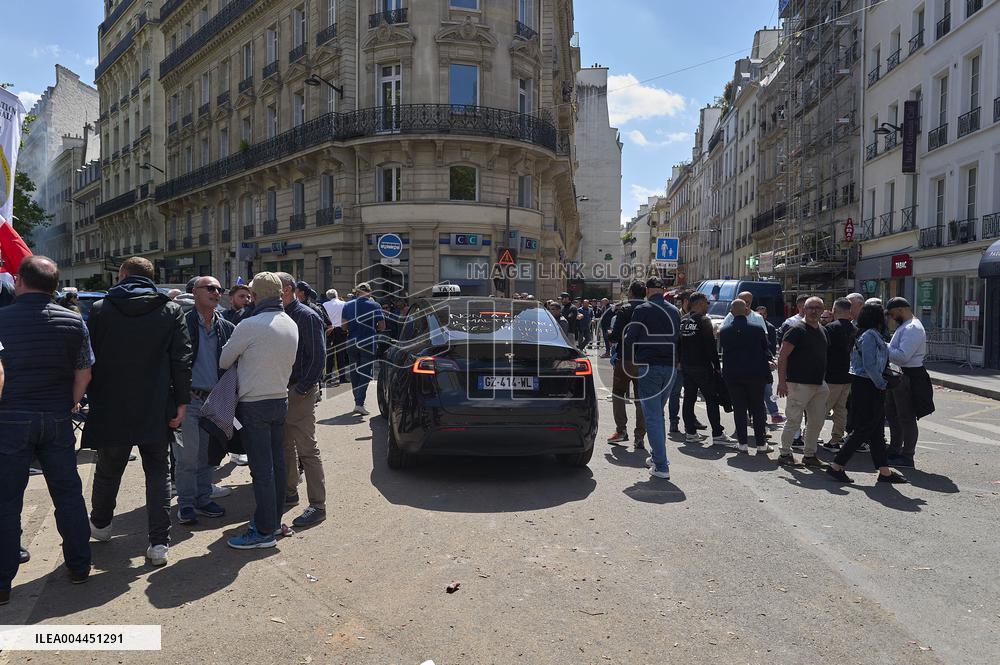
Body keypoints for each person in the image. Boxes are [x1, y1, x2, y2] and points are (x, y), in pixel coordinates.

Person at [84, 256, 192, 567]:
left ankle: (102, 524)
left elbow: (89, 358)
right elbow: (181, 360)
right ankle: (158, 543)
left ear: (122, 275)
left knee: (108, 468)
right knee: (158, 472)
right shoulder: (170, 310)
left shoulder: (101, 310)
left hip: (112, 404)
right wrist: (182, 402)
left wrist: (90, 397)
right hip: (157, 405)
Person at [0, 256, 93, 605]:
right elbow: (84, 373)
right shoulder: (73, 321)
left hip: (9, 418)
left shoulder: (1, 319)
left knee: (6, 502)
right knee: (68, 493)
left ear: (20, 281)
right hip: (55, 416)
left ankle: (2, 582)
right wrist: (70, 402)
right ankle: (79, 565)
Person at [219, 272, 299, 549]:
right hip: (280, 399)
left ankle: (264, 531)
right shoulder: (290, 322)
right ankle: (273, 523)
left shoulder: (251, 324)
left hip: (255, 403)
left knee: (262, 470)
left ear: (254, 296)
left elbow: (224, 359)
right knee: (276, 466)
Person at [174, 275, 234, 526]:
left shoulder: (226, 327)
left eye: (219, 289)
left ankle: (203, 497)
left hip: (215, 400)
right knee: (186, 456)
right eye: (210, 288)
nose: (216, 292)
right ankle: (186, 504)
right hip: (189, 399)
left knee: (209, 454)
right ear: (195, 292)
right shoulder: (181, 324)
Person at [826, 302, 908, 484]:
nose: (887, 318)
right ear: (877, 317)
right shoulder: (870, 335)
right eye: (884, 315)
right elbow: (870, 364)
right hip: (868, 384)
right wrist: (881, 383)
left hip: (867, 384)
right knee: (863, 429)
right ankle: (836, 466)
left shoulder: (866, 333)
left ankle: (884, 471)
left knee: (876, 430)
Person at [276, 273, 327, 529]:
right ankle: (289, 491)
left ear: (286, 289)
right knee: (286, 446)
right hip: (281, 390)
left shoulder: (307, 316)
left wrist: (302, 389)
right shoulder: (279, 315)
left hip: (299, 391)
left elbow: (318, 357)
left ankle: (317, 506)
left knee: (307, 449)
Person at [623, 276, 681, 479]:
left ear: (647, 291)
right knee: (659, 414)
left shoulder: (642, 309)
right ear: (663, 290)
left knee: (654, 417)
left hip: (650, 367)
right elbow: (678, 339)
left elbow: (631, 338)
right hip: (670, 367)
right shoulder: (674, 310)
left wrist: (627, 357)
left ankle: (662, 466)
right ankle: (658, 456)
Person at [775, 296, 829, 467]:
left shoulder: (822, 329)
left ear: (822, 310)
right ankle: (785, 454)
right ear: (803, 309)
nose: (814, 311)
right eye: (810, 307)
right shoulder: (796, 329)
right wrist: (782, 382)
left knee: (816, 421)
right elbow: (782, 356)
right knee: (793, 420)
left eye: (817, 308)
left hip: (819, 384)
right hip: (798, 384)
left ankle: (810, 455)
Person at [679, 292, 734, 446]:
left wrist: (680, 362)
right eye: (706, 303)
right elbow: (711, 347)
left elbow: (678, 343)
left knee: (688, 399)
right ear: (699, 303)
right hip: (702, 367)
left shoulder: (683, 321)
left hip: (687, 367)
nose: (708, 305)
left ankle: (690, 432)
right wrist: (717, 367)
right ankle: (717, 433)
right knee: (711, 400)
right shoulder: (704, 321)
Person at [719, 300, 772, 454]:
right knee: (757, 408)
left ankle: (742, 443)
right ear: (747, 310)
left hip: (733, 374)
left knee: (739, 408)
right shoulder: (757, 329)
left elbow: (724, 348)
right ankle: (761, 444)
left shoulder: (725, 330)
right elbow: (765, 347)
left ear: (732, 311)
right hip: (755, 373)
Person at [885, 297, 931, 468]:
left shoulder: (913, 328)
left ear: (901, 309)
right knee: (892, 414)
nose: (890, 317)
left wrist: (883, 345)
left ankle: (907, 455)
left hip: (908, 375)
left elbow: (903, 356)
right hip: (898, 375)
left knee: (906, 417)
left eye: (892, 313)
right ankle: (895, 449)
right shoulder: (904, 326)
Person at [607, 282, 647, 448]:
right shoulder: (650, 309)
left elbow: (615, 336)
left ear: (631, 292)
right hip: (645, 359)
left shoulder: (625, 309)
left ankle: (621, 430)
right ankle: (640, 437)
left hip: (625, 358)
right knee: (641, 399)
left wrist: (610, 335)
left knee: (618, 394)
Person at [341, 282, 385, 416]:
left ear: (356, 292)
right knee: (365, 373)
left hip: (351, 342)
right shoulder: (375, 305)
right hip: (368, 342)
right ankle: (359, 403)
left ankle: (357, 402)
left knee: (354, 372)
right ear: (369, 292)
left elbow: (344, 327)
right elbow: (382, 326)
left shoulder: (347, 305)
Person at [821, 298, 856, 451]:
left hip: (831, 375)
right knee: (841, 409)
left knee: (821, 409)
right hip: (848, 375)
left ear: (834, 310)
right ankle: (836, 439)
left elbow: (824, 352)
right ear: (850, 312)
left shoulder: (830, 328)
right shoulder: (855, 329)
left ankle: (812, 437)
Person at [756, 305, 785, 424]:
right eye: (759, 314)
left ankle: (774, 413)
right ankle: (759, 415)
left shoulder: (770, 327)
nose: (761, 316)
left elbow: (772, 347)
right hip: (755, 364)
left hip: (767, 363)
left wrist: (771, 360)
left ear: (766, 315)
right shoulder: (754, 326)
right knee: (759, 391)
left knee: (768, 390)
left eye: (763, 314)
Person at [323, 289, 348, 383]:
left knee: (329, 355)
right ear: (336, 295)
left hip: (330, 330)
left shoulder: (325, 305)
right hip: (341, 330)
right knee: (340, 354)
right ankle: (342, 377)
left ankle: (328, 376)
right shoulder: (343, 304)